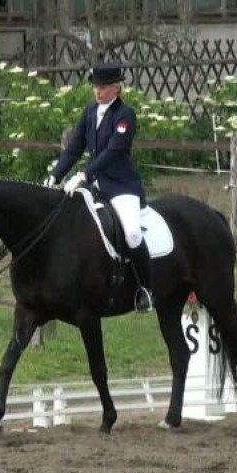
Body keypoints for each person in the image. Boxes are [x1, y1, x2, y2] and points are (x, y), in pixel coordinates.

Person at [44, 63, 153, 313]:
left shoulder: (125, 115)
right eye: (95, 87)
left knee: (133, 233)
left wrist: (84, 173)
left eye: (102, 87)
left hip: (121, 186)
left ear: (116, 88)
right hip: (95, 186)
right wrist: (56, 175)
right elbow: (74, 147)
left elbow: (114, 151)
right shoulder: (90, 112)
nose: (98, 92)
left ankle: (146, 289)